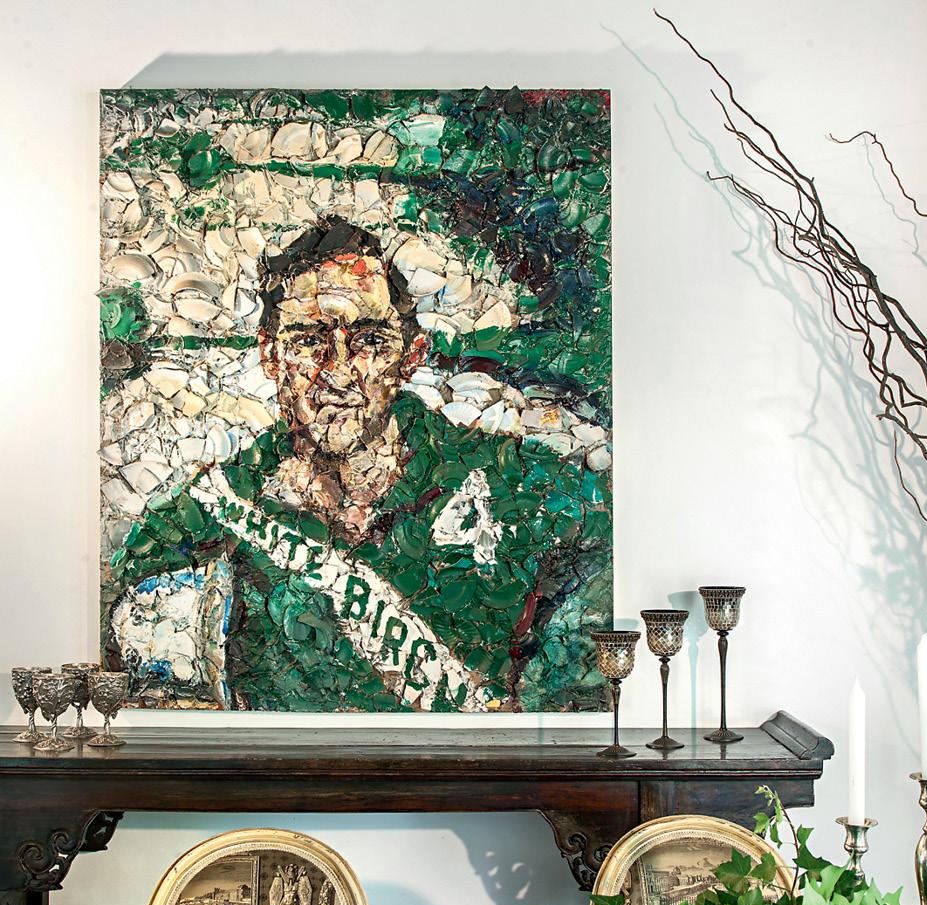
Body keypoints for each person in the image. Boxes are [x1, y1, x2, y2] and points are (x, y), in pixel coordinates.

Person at [105, 219, 610, 712]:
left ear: (410, 356)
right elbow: (125, 637)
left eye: (370, 342)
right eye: (309, 342)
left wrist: (538, 701)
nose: (339, 373)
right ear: (271, 356)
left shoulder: (509, 478)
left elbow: (600, 546)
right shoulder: (213, 507)